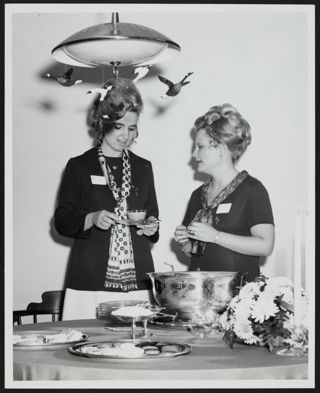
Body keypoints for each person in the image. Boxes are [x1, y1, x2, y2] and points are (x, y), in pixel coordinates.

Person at [54, 77, 159, 320]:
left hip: (136, 280)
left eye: (132, 128)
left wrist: (151, 226)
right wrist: (91, 218)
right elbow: (62, 221)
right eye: (119, 126)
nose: (126, 135)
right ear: (103, 124)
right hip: (90, 279)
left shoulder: (143, 167)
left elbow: (152, 217)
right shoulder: (79, 166)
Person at [174, 103, 275, 282]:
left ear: (220, 148)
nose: (194, 155)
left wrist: (215, 236)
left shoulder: (252, 190)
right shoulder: (198, 194)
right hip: (201, 295)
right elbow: (196, 253)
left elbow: (265, 245)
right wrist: (185, 243)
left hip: (239, 298)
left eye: (200, 147)